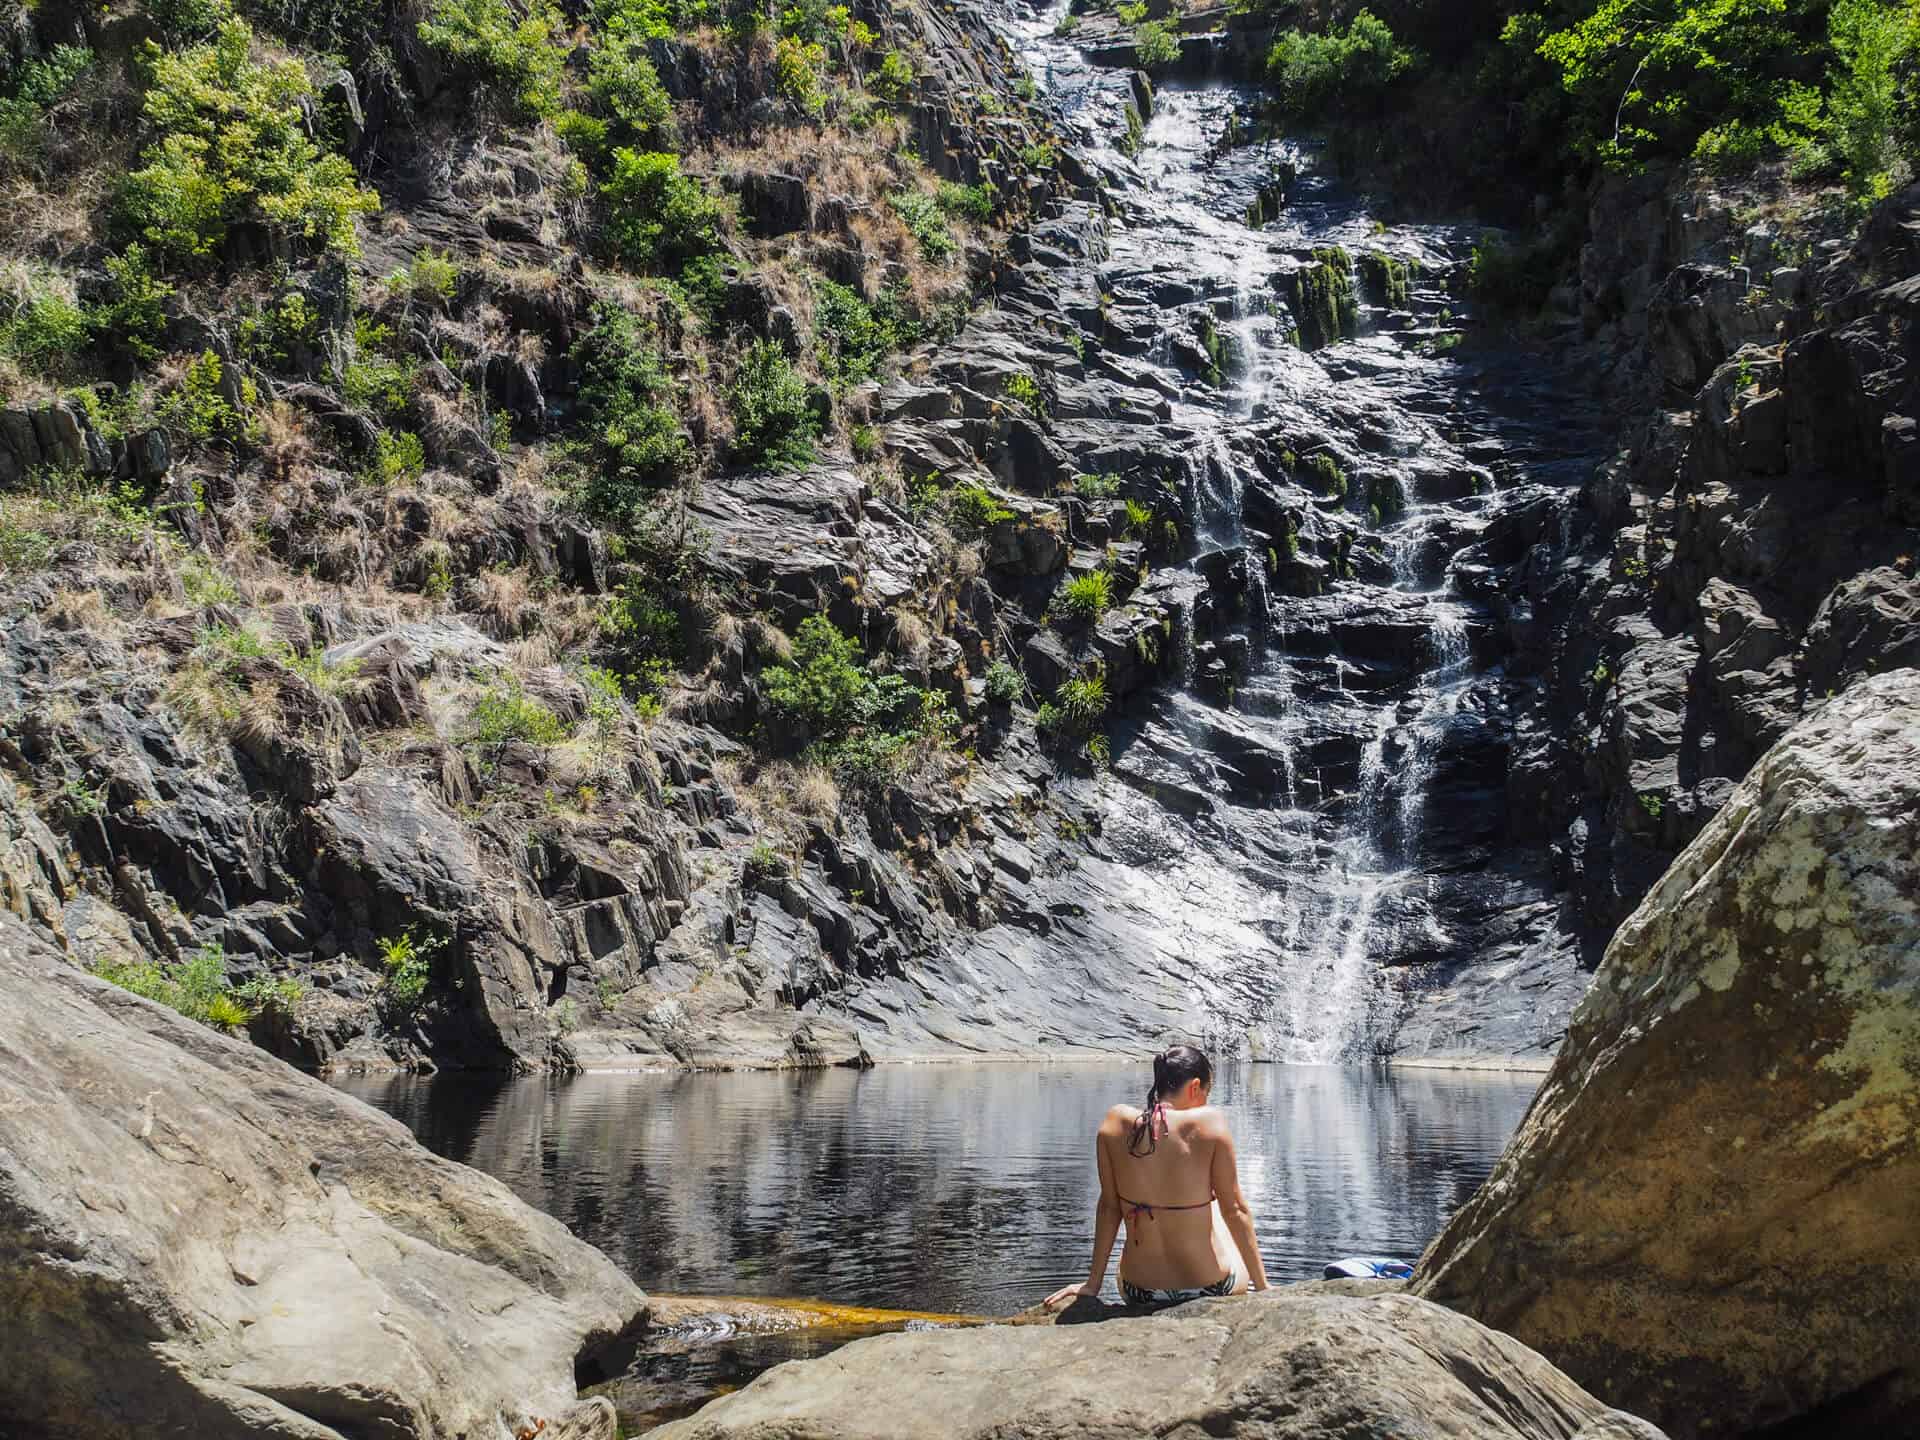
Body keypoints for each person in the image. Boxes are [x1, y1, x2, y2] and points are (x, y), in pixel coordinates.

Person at [1045, 1045, 1271, 1311]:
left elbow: (1109, 1207)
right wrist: (1264, 1289)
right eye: (1206, 1093)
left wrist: (1092, 1285)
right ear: (1195, 1087)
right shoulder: (1209, 1123)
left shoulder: (1114, 1122)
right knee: (1220, 1206)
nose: (1206, 1102)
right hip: (1211, 1289)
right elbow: (1236, 1210)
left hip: (1139, 1291)